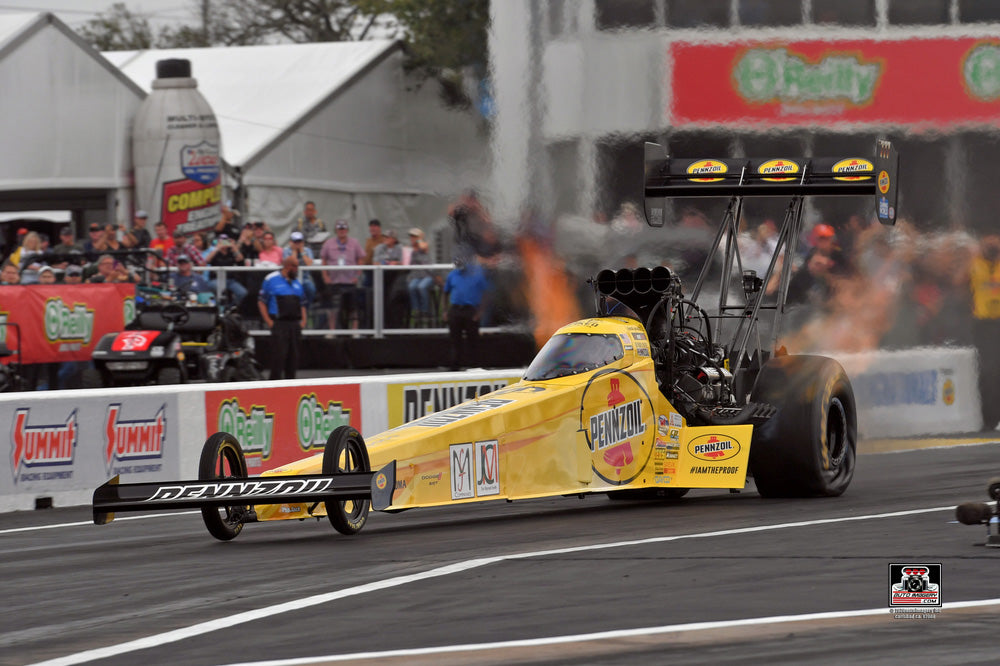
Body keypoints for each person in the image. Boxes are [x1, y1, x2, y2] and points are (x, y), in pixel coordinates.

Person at [257, 255, 306, 380]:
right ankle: (274, 384)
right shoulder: (271, 279)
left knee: (293, 357)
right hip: (279, 323)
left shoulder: (297, 282)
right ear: (288, 266)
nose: (297, 270)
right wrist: (269, 321)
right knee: (279, 356)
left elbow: (302, 303)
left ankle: (291, 383)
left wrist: (303, 321)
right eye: (295, 267)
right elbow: (261, 302)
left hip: (294, 323)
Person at [970, 234, 1000, 430]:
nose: (992, 247)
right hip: (983, 325)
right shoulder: (974, 265)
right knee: (987, 372)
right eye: (988, 243)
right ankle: (989, 418)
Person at [443, 254, 491, 370]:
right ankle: (455, 366)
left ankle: (475, 366)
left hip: (470, 310)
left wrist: (480, 312)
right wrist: (445, 310)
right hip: (455, 309)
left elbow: (486, 293)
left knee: (473, 340)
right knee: (455, 339)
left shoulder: (476, 275)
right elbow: (445, 292)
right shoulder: (453, 275)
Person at [320, 220, 365, 329]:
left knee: (353, 307)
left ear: (347, 230)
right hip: (334, 281)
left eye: (344, 229)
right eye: (340, 229)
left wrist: (357, 276)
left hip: (350, 281)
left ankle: (355, 330)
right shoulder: (328, 243)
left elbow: (361, 259)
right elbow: (324, 260)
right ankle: (332, 330)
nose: (342, 231)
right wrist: (325, 276)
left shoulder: (355, 242)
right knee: (332, 308)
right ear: (336, 230)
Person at [373, 229, 406, 328]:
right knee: (382, 299)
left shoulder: (399, 248)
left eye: (388, 237)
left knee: (393, 298)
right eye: (385, 237)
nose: (385, 239)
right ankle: (382, 324)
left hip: (395, 276)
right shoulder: (379, 248)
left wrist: (395, 263)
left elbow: (402, 262)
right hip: (381, 277)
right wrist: (386, 263)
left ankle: (394, 324)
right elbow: (375, 262)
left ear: (394, 239)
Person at [205, 234, 248, 306]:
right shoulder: (214, 251)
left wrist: (234, 247)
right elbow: (207, 260)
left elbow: (240, 259)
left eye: (226, 241)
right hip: (216, 279)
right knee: (220, 289)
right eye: (222, 241)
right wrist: (218, 248)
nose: (224, 243)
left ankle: (230, 307)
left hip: (230, 280)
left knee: (243, 293)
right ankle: (219, 309)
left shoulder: (231, 252)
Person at [406, 228, 434, 327]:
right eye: (411, 236)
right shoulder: (410, 249)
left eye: (414, 236)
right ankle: (416, 310)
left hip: (427, 275)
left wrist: (419, 239)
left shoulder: (424, 245)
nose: (412, 238)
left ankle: (424, 311)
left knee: (421, 287)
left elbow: (423, 246)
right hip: (416, 276)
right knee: (412, 287)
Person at [283, 230, 317, 309]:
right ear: (291, 242)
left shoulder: (307, 250)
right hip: (291, 277)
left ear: (303, 242)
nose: (297, 244)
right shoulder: (286, 250)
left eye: (299, 241)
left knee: (311, 289)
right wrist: (294, 251)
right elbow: (291, 264)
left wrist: (302, 252)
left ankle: (306, 309)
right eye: (295, 242)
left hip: (305, 278)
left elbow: (309, 264)